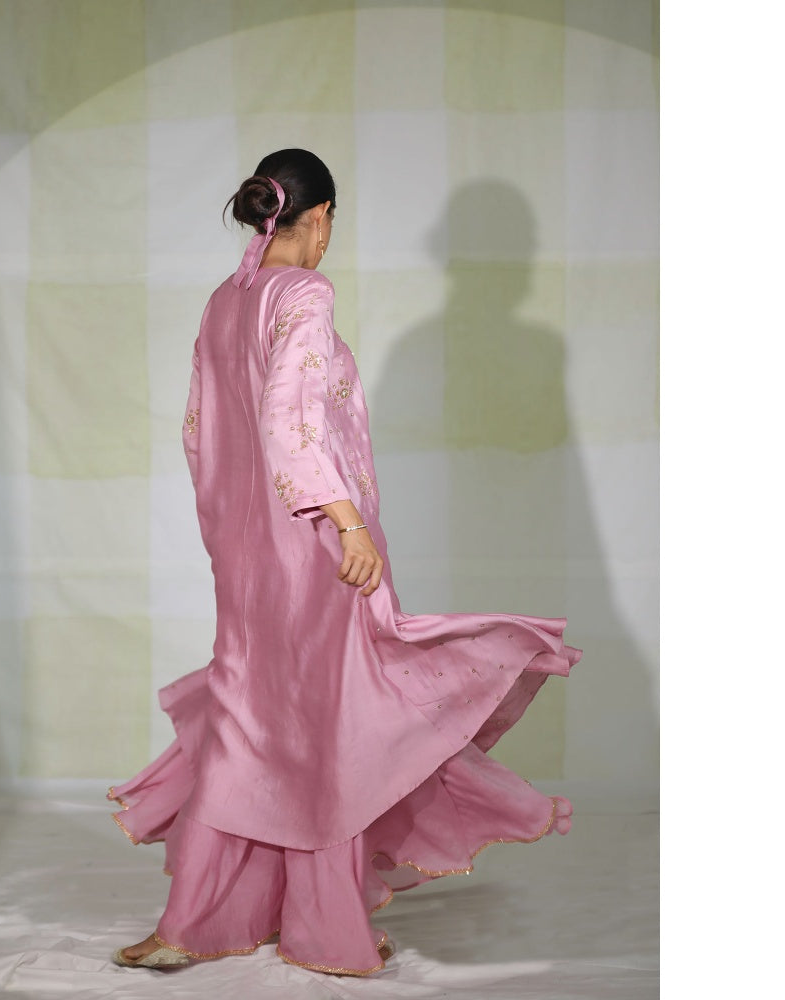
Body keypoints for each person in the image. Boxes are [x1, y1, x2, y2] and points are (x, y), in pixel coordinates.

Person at [108, 148, 582, 976]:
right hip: (315, 546)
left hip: (246, 555)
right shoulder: (304, 293)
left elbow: (198, 435)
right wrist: (349, 526)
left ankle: (195, 921)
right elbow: (289, 420)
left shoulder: (225, 300)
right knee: (331, 730)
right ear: (319, 217)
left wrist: (231, 532)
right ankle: (325, 929)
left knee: (250, 724)